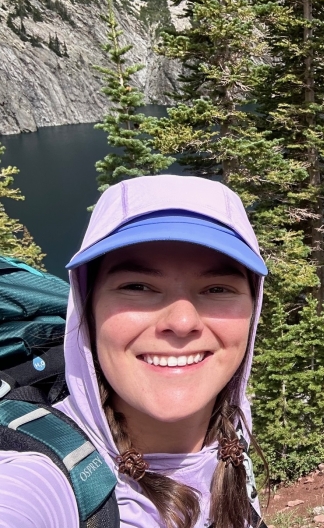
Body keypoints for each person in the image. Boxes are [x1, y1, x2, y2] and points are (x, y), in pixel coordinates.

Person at [0, 175, 268, 528]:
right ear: (87, 310)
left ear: (252, 309)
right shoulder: (43, 480)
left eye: (217, 288)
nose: (183, 321)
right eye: (137, 286)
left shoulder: (230, 434)